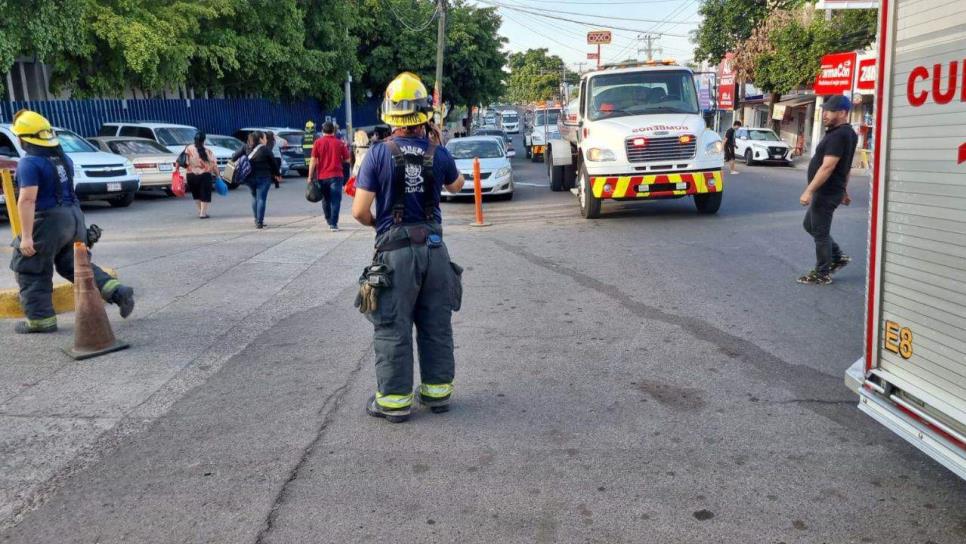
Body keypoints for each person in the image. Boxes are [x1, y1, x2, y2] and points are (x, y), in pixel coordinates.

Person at [352, 72, 465, 423]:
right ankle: (437, 394)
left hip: (395, 253)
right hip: (434, 252)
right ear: (424, 115)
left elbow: (359, 211)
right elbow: (458, 186)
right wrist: (438, 144)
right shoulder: (439, 153)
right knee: (436, 323)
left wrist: (381, 228)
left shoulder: (376, 155)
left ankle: (395, 402)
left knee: (392, 325)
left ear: (390, 115)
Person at [8, 110, 135, 333]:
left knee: (31, 267)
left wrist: (26, 237)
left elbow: (27, 200)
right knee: (75, 265)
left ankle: (40, 321)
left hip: (49, 220)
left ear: (23, 138)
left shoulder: (30, 163)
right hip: (73, 216)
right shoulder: (63, 158)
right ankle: (117, 292)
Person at [797, 95, 858, 286]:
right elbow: (846, 166)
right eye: (825, 110)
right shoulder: (843, 133)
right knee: (810, 225)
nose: (825, 114)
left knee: (820, 232)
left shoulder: (839, 135)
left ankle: (822, 272)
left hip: (826, 191)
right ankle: (837, 256)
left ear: (842, 113)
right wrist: (845, 190)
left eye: (830, 111)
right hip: (831, 190)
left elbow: (828, 166)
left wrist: (809, 190)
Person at [307, 121, 350, 231]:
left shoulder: (318, 142)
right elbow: (347, 159)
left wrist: (310, 176)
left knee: (325, 199)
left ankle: (328, 219)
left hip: (322, 176)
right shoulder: (340, 143)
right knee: (336, 200)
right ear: (334, 131)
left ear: (322, 131)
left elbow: (313, 160)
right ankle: (334, 224)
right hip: (337, 176)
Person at [233, 131, 280, 229]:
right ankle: (260, 222)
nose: (266, 140)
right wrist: (277, 174)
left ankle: (256, 220)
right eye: (265, 138)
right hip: (264, 177)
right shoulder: (265, 149)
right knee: (261, 199)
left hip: (249, 178)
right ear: (260, 139)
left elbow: (234, 157)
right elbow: (273, 163)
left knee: (254, 197)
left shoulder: (246, 147)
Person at [177, 131, 219, 219]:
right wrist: (218, 176)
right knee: (205, 194)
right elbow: (214, 166)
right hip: (205, 175)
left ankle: (201, 212)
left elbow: (180, 160)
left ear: (194, 139)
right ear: (204, 140)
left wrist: (176, 170)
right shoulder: (208, 151)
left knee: (196, 194)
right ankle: (203, 213)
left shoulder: (188, 148)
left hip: (191, 175)